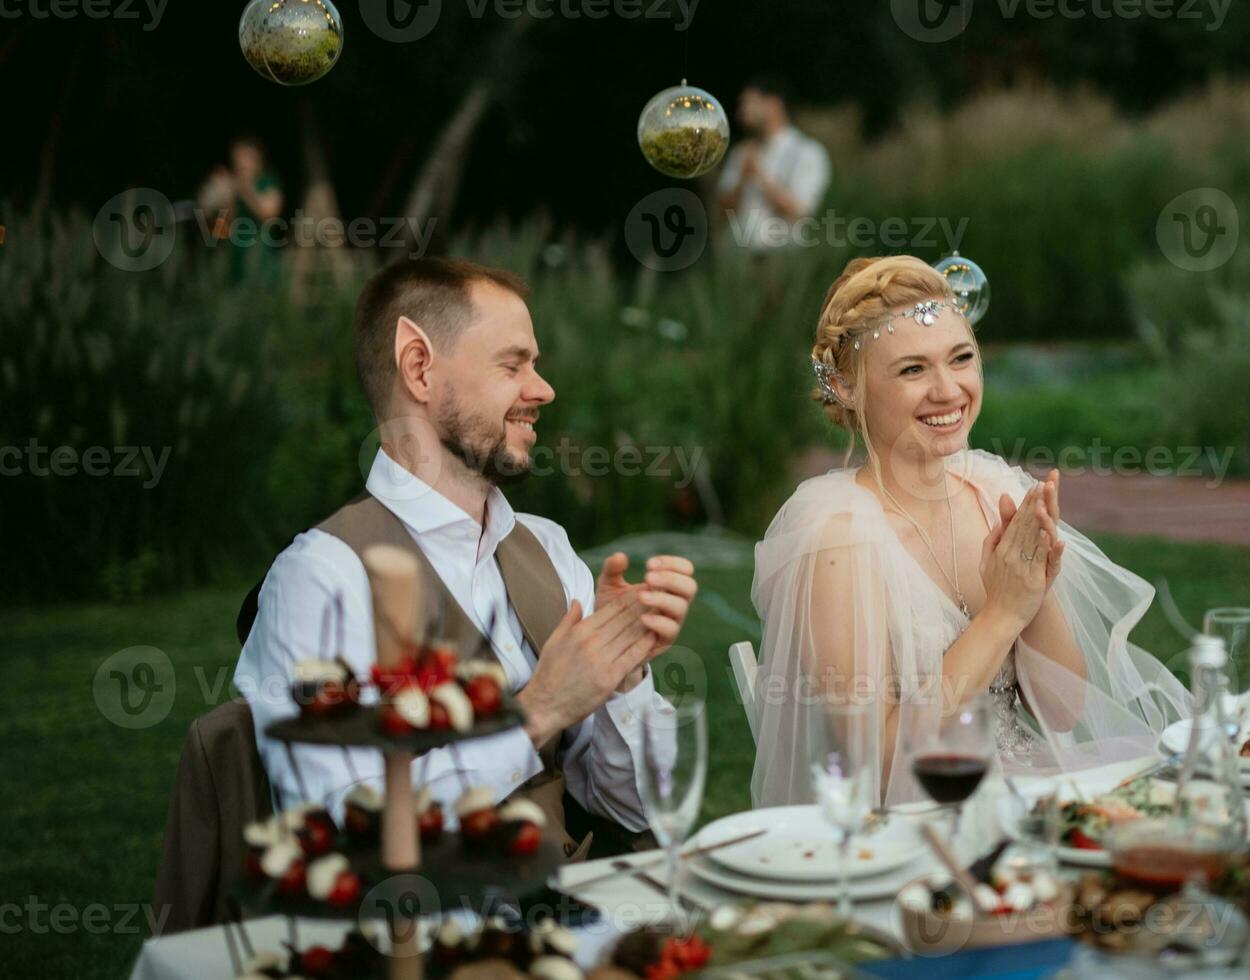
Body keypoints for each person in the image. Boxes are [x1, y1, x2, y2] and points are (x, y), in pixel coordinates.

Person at [234, 258, 699, 856]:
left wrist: (621, 673)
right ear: (420, 368)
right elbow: (344, 836)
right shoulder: (321, 579)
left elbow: (637, 810)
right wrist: (538, 710)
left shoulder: (548, 548)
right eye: (513, 365)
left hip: (583, 916)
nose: (543, 389)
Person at [749, 256, 1189, 807]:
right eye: (912, 370)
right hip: (912, 827)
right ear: (847, 387)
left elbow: (1062, 710)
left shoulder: (991, 490)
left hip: (1025, 792)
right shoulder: (836, 538)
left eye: (961, 359)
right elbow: (879, 767)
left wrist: (1034, 594)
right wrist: (1001, 613)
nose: (947, 390)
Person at [715, 76, 831, 252]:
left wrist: (760, 174)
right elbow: (722, 211)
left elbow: (799, 212)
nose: (741, 112)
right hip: (739, 256)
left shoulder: (807, 151)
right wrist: (743, 180)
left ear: (773, 104)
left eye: (748, 103)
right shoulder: (741, 152)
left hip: (780, 256)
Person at [197, 135, 284, 278]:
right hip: (235, 258)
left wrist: (245, 189)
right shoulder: (232, 185)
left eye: (247, 158)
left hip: (262, 256)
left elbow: (269, 214)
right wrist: (225, 195)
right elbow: (223, 227)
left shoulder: (268, 181)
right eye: (238, 158)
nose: (242, 164)